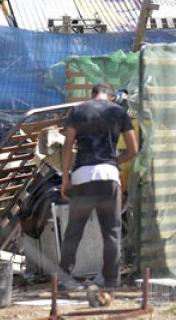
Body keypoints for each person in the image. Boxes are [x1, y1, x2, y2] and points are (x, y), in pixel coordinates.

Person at [59, 82, 138, 289]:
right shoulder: (119, 112)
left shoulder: (78, 110)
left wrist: (65, 179)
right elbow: (133, 150)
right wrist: (114, 161)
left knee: (73, 232)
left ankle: (62, 280)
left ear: (92, 95)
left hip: (82, 177)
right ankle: (111, 282)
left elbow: (67, 147)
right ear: (112, 97)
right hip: (108, 176)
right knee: (111, 232)